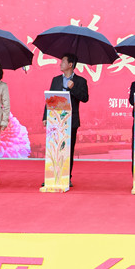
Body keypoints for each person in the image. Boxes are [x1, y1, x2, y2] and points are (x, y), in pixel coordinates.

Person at [43, 53, 89, 187]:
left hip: (71, 120)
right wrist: (45, 116)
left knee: (68, 149)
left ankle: (66, 177)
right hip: (55, 120)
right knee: (54, 149)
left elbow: (85, 98)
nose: (60, 63)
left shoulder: (80, 81)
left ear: (70, 64)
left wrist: (73, 88)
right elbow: (50, 99)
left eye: (63, 61)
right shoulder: (56, 80)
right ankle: (51, 176)